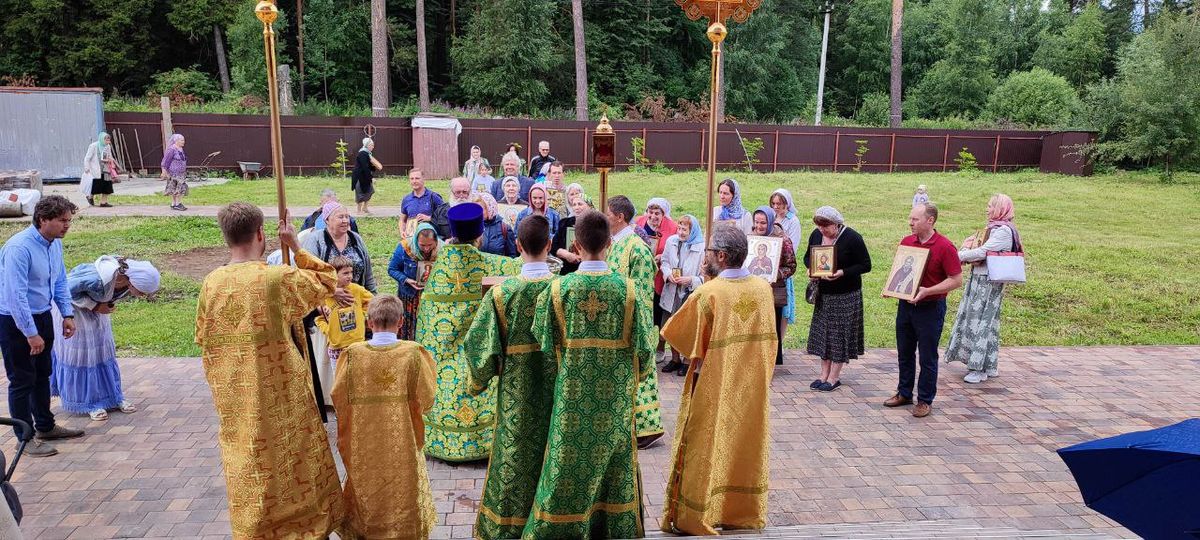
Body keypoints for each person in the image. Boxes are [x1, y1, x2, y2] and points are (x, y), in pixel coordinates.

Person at [194, 202, 343, 537]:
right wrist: (295, 246)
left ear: (226, 237)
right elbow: (326, 279)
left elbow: (202, 336)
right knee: (293, 459)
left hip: (236, 397)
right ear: (261, 234)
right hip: (281, 391)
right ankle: (301, 527)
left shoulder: (211, 283)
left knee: (249, 462)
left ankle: (256, 527)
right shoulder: (277, 278)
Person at [522, 210, 654, 538]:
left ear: (576, 246)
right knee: (614, 467)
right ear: (609, 244)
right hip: (615, 404)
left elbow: (544, 344)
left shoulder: (559, 291)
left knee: (565, 468)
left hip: (571, 402)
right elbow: (645, 351)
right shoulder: (628, 291)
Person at [660, 224, 776, 536]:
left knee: (705, 445)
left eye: (709, 251)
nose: (705, 256)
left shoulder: (709, 293)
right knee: (741, 444)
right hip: (751, 387)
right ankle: (739, 512)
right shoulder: (762, 289)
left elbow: (677, 336)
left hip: (712, 385)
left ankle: (697, 514)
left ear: (721, 256)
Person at [463, 215, 557, 540]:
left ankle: (508, 526)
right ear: (550, 245)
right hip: (558, 392)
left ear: (517, 245)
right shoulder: (562, 291)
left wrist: (477, 381)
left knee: (515, 456)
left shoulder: (502, 294)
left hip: (517, 396)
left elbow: (478, 347)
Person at [416, 203, 521, 462]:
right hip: (477, 348)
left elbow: (427, 320)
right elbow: (519, 267)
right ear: (479, 235)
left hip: (444, 348)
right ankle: (482, 440)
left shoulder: (438, 268)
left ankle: (443, 438)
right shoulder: (491, 264)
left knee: (447, 380)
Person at [332, 295, 437, 540]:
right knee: (404, 483)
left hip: (364, 440)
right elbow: (428, 397)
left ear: (369, 322)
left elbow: (338, 396)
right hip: (403, 439)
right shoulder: (413, 353)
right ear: (401, 322)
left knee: (366, 483)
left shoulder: (352, 354)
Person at [0, 195, 84, 458]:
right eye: (62, 220)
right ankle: (24, 439)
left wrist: (67, 313)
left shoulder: (53, 244)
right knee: (22, 379)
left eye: (69, 220)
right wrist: (30, 333)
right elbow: (16, 296)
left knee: (42, 374)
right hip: (15, 321)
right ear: (43, 219)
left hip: (42, 314)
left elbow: (59, 280)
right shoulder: (19, 248)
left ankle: (45, 427)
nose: (67, 225)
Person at [51, 257, 160, 421]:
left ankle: (113, 397)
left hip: (96, 312)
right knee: (85, 356)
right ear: (132, 282)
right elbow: (64, 290)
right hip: (74, 312)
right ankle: (89, 402)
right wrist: (94, 305)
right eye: (143, 291)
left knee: (103, 352)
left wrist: (103, 306)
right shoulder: (98, 279)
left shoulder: (124, 278)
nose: (143, 296)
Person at [883, 203, 964, 418]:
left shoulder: (945, 246)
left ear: (930, 220)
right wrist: (892, 288)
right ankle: (904, 393)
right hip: (906, 306)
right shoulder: (907, 242)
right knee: (904, 352)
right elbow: (900, 272)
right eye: (910, 218)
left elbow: (956, 280)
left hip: (930, 308)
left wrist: (929, 291)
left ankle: (925, 400)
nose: (910, 223)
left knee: (927, 356)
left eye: (915, 219)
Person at [606, 195, 665, 449]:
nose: (605, 217)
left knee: (642, 376)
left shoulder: (637, 249)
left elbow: (640, 294)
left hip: (634, 324)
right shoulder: (617, 244)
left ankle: (647, 429)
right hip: (619, 323)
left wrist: (633, 326)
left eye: (608, 214)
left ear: (620, 217)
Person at [946, 194, 1021, 384]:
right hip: (980, 279)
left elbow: (982, 252)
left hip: (987, 282)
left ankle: (978, 367)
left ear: (1000, 209)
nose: (987, 209)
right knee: (984, 321)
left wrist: (958, 255)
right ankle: (988, 365)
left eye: (990, 206)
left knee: (981, 321)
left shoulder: (1003, 231)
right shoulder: (994, 228)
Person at [804, 206, 872, 392]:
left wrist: (842, 272)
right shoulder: (816, 235)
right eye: (819, 226)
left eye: (825, 226)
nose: (822, 230)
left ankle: (834, 377)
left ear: (836, 224)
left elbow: (866, 265)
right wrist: (810, 268)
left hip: (845, 294)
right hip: (824, 294)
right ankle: (823, 375)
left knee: (838, 335)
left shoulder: (852, 238)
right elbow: (807, 257)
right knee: (824, 334)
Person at [658, 214, 704, 376]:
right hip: (672, 290)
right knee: (671, 326)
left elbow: (705, 275)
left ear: (693, 231)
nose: (681, 232)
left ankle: (687, 361)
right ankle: (675, 358)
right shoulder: (671, 241)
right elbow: (664, 261)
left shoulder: (701, 247)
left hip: (689, 292)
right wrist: (668, 274)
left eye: (685, 229)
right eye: (679, 228)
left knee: (687, 328)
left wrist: (691, 280)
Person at [752, 207, 797, 365]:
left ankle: (771, 361)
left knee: (772, 325)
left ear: (770, 222)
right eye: (756, 222)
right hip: (753, 290)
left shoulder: (782, 239)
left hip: (774, 291)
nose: (759, 226)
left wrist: (774, 274)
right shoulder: (750, 237)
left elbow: (791, 266)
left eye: (763, 223)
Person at [634, 198, 679, 356]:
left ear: (663, 214)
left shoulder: (672, 227)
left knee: (659, 311)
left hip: (660, 275)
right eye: (650, 212)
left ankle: (660, 347)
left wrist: (662, 255)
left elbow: (675, 249)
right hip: (641, 272)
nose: (653, 216)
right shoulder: (639, 222)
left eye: (657, 213)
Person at [301, 203, 377, 294]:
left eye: (347, 217)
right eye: (340, 217)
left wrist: (373, 295)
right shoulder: (315, 240)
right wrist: (332, 291)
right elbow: (308, 274)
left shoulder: (356, 239)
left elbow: (368, 274)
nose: (345, 220)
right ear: (327, 220)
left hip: (357, 297)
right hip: (325, 299)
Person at [314, 256, 373, 372]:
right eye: (345, 273)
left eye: (351, 272)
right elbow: (319, 318)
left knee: (359, 374)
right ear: (333, 275)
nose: (350, 276)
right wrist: (329, 330)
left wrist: (361, 314)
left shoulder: (357, 290)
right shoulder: (325, 295)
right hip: (337, 346)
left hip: (357, 342)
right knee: (339, 377)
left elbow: (373, 301)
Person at [388, 223, 440, 341]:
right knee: (409, 329)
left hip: (432, 297)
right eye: (422, 245)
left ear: (436, 241)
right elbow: (392, 269)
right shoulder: (405, 247)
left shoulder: (442, 249)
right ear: (416, 240)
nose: (426, 249)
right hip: (409, 298)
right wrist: (406, 280)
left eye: (430, 245)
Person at [551, 196, 592, 275]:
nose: (576, 207)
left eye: (580, 204)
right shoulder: (564, 223)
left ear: (589, 206)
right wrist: (566, 254)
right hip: (566, 271)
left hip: (587, 271)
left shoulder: (594, 225)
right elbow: (553, 247)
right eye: (574, 205)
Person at [399, 168, 445, 235]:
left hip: (431, 237)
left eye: (417, 178)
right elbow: (402, 220)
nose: (414, 181)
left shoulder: (434, 197)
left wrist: (429, 218)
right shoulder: (406, 199)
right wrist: (402, 232)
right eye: (412, 179)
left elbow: (444, 218)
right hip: (411, 237)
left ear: (423, 179)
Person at [81, 132, 118, 207]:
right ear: (101, 139)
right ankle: (90, 197)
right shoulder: (93, 146)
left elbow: (109, 155)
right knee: (96, 186)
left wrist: (111, 161)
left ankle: (103, 202)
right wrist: (86, 168)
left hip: (106, 169)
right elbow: (87, 158)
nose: (108, 142)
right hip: (96, 169)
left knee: (107, 185)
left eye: (109, 140)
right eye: (106, 140)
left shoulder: (107, 146)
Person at [476, 192, 517, 257]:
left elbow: (512, 255)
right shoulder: (473, 227)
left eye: (481, 209)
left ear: (490, 208)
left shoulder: (505, 228)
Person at [352, 137, 383, 215]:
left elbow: (369, 166)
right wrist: (371, 178)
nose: (373, 147)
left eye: (373, 145)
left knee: (369, 191)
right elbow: (364, 167)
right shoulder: (362, 153)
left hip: (366, 176)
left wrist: (374, 166)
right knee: (360, 193)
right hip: (360, 177)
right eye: (371, 145)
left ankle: (365, 208)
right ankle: (359, 210)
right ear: (367, 145)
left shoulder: (368, 154)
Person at [160, 133, 188, 211]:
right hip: (173, 173)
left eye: (183, 140)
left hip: (181, 173)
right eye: (182, 140)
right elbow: (165, 161)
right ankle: (175, 204)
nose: (183, 142)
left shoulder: (180, 149)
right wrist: (164, 172)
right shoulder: (171, 149)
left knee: (180, 188)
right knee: (174, 188)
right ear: (176, 141)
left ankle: (177, 203)